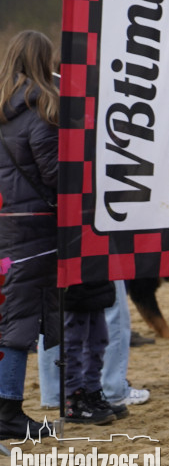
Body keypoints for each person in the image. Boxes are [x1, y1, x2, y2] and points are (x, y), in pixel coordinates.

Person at [0, 31, 61, 439]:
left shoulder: (3, 109)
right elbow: (54, 176)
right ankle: (7, 414)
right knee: (19, 326)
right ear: (44, 60)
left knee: (7, 319)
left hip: (5, 224)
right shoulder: (40, 109)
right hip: (33, 228)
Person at [62, 278, 123, 424]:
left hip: (95, 275)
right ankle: (74, 399)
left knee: (99, 339)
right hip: (74, 278)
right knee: (73, 340)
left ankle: (92, 392)